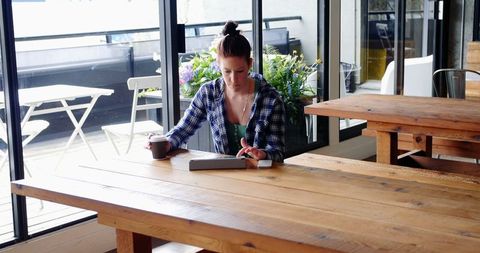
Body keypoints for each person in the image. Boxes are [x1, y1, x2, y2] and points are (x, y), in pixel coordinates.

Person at [160, 20, 285, 162]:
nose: (234, 79)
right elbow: (184, 129)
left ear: (250, 64)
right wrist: (166, 143)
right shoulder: (208, 93)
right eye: (227, 71)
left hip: (262, 177)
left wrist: (262, 154)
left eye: (240, 71)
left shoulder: (271, 100)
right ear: (218, 65)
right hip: (223, 175)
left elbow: (277, 152)